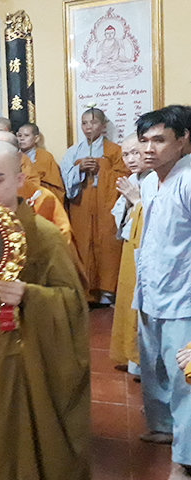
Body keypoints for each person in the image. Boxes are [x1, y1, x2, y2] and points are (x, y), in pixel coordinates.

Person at [0, 140, 90, 480]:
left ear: (19, 179)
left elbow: (73, 302)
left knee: (35, 438)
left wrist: (29, 295)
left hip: (30, 358)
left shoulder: (44, 235)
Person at [133, 108, 191, 475]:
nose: (148, 149)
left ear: (183, 139)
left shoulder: (188, 181)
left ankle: (184, 461)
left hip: (184, 298)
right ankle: (165, 428)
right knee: (155, 369)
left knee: (186, 381)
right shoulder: (149, 181)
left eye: (159, 140)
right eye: (144, 141)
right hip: (151, 290)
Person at [60, 107, 127, 303]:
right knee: (81, 244)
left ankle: (107, 292)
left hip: (106, 206)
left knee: (108, 245)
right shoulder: (73, 152)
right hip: (80, 204)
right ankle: (85, 291)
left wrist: (101, 170)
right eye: (84, 123)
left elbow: (124, 177)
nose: (88, 127)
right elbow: (64, 177)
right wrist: (78, 169)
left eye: (93, 122)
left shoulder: (115, 150)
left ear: (103, 125)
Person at [109, 135, 149, 378]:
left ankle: (142, 361)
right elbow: (119, 212)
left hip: (146, 248)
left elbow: (156, 215)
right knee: (127, 299)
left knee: (140, 302)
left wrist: (136, 200)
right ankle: (131, 357)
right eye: (126, 154)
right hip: (130, 243)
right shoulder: (133, 179)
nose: (131, 159)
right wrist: (127, 203)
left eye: (135, 152)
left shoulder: (156, 178)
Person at [17, 123, 66, 201]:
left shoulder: (45, 157)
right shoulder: (13, 156)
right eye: (19, 136)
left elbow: (56, 186)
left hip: (41, 198)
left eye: (26, 135)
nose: (22, 138)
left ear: (36, 138)